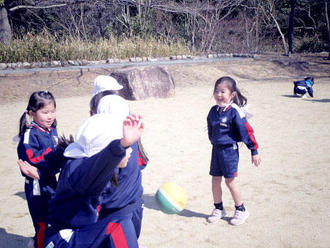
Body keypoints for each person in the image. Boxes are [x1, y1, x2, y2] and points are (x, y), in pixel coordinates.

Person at [45, 113, 144, 248]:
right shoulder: (81, 172)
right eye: (126, 149)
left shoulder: (89, 165)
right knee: (119, 224)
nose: (130, 152)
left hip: (82, 233)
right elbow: (99, 165)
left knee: (119, 221)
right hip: (63, 240)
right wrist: (119, 147)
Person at [206, 76, 261, 226]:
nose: (219, 95)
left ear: (232, 94)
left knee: (230, 181)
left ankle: (241, 209)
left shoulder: (235, 111)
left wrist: (254, 150)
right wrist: (213, 140)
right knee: (215, 180)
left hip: (229, 151)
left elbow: (247, 131)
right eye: (216, 91)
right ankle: (218, 208)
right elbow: (210, 128)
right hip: (216, 150)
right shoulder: (213, 111)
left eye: (223, 91)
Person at [17, 91, 65, 248]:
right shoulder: (30, 135)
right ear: (32, 113)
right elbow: (31, 159)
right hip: (36, 185)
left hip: (50, 180)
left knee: (55, 215)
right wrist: (55, 153)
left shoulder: (51, 130)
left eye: (52, 111)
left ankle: (44, 241)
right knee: (42, 221)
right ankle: (38, 243)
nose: (50, 116)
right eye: (45, 112)